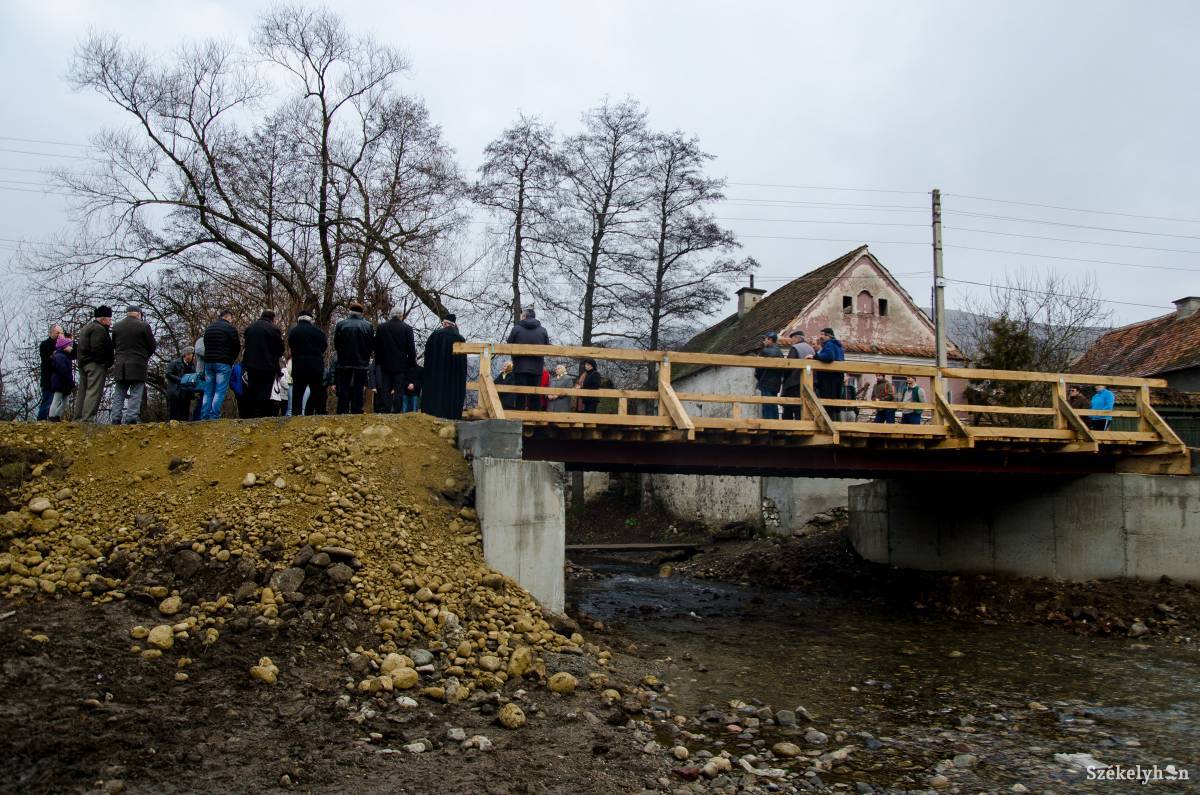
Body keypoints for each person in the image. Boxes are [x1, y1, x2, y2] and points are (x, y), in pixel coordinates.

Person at [109, 306, 156, 425]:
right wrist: (144, 356)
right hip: (138, 364)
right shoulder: (144, 326)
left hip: (120, 365)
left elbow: (113, 345)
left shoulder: (117, 326)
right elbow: (152, 346)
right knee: (136, 393)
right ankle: (131, 418)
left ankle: (115, 418)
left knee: (119, 393)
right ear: (139, 314)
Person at [422, 315, 467, 420]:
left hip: (437, 374)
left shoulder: (436, 335)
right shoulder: (460, 339)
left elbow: (428, 356)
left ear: (445, 324)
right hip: (454, 377)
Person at [242, 310, 285, 419]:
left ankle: (252, 416)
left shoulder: (250, 328)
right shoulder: (274, 329)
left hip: (251, 365)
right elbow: (280, 350)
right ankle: (263, 416)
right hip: (268, 366)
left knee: (252, 391)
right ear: (272, 318)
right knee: (265, 392)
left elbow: (246, 347)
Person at [333, 302, 375, 414]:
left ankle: (342, 409)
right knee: (359, 386)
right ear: (361, 313)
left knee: (344, 385)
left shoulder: (341, 324)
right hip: (361, 360)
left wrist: (341, 353)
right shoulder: (368, 325)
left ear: (350, 311)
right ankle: (357, 409)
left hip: (344, 360)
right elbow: (371, 343)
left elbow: (336, 343)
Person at [505, 308, 550, 411]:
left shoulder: (516, 329)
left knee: (520, 394)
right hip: (537, 368)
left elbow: (509, 344)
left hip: (520, 367)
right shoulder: (543, 330)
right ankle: (534, 418)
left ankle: (519, 418)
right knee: (535, 394)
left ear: (524, 316)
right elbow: (547, 347)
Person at [201, 308, 240, 421]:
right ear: (228, 317)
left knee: (208, 391)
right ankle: (214, 416)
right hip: (223, 362)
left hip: (208, 363)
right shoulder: (230, 328)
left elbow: (205, 344)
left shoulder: (209, 328)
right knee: (220, 390)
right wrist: (231, 360)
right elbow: (236, 346)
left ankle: (204, 416)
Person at [76, 306, 114, 423]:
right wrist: (105, 362)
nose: (110, 321)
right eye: (109, 319)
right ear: (103, 319)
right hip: (94, 364)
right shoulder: (98, 329)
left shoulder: (86, 327)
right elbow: (97, 348)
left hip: (83, 363)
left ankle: (78, 418)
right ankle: (87, 419)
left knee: (83, 391)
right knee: (93, 391)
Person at [375, 308, 417, 414]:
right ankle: (397, 411)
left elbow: (377, 347)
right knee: (399, 390)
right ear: (401, 316)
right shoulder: (407, 328)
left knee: (385, 388)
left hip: (385, 364)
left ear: (391, 315)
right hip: (401, 365)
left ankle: (385, 409)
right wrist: (411, 364)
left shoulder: (381, 327)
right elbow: (411, 349)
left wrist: (378, 362)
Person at [287, 312, 328, 416]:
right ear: (310, 319)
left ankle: (296, 415)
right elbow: (324, 344)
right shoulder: (317, 331)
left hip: (298, 366)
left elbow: (291, 345)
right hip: (315, 366)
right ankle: (320, 413)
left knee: (298, 393)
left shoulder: (293, 332)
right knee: (318, 392)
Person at [780, 329, 814, 421]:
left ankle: (787, 430)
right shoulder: (811, 349)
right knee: (803, 408)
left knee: (789, 407)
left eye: (793, 339)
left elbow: (789, 365)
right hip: (808, 383)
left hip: (794, 382)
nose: (792, 342)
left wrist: (784, 376)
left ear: (797, 338)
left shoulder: (795, 348)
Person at [754, 331, 785, 420]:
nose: (763, 341)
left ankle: (768, 424)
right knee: (773, 404)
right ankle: (775, 424)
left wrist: (759, 378)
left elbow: (758, 369)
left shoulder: (765, 351)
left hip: (766, 381)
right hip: (776, 383)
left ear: (770, 340)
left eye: (765, 339)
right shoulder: (780, 352)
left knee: (767, 405)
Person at [813, 327, 846, 407]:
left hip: (829, 378)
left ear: (828, 336)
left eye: (822, 334)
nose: (820, 337)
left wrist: (816, 356)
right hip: (837, 376)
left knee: (827, 404)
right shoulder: (838, 346)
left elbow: (829, 356)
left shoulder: (829, 344)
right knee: (835, 403)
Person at [37, 324, 63, 420]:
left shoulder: (64, 345)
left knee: (59, 401)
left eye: (61, 333)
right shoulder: (45, 344)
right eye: (57, 333)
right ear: (51, 333)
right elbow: (47, 360)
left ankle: (54, 418)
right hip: (48, 378)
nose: (59, 335)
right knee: (48, 400)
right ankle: (41, 419)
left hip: (59, 379)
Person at [165, 347, 197, 422]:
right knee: (175, 414)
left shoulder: (192, 366)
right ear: (186, 355)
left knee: (185, 415)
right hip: (176, 392)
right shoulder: (174, 363)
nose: (193, 357)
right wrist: (181, 380)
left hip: (187, 393)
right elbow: (168, 374)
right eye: (192, 355)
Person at [47, 335, 75, 421]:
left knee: (65, 402)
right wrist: (70, 381)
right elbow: (63, 371)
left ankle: (56, 415)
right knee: (56, 400)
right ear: (64, 347)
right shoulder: (60, 357)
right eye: (70, 346)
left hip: (64, 383)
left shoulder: (65, 357)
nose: (71, 348)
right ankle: (52, 416)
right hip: (60, 383)